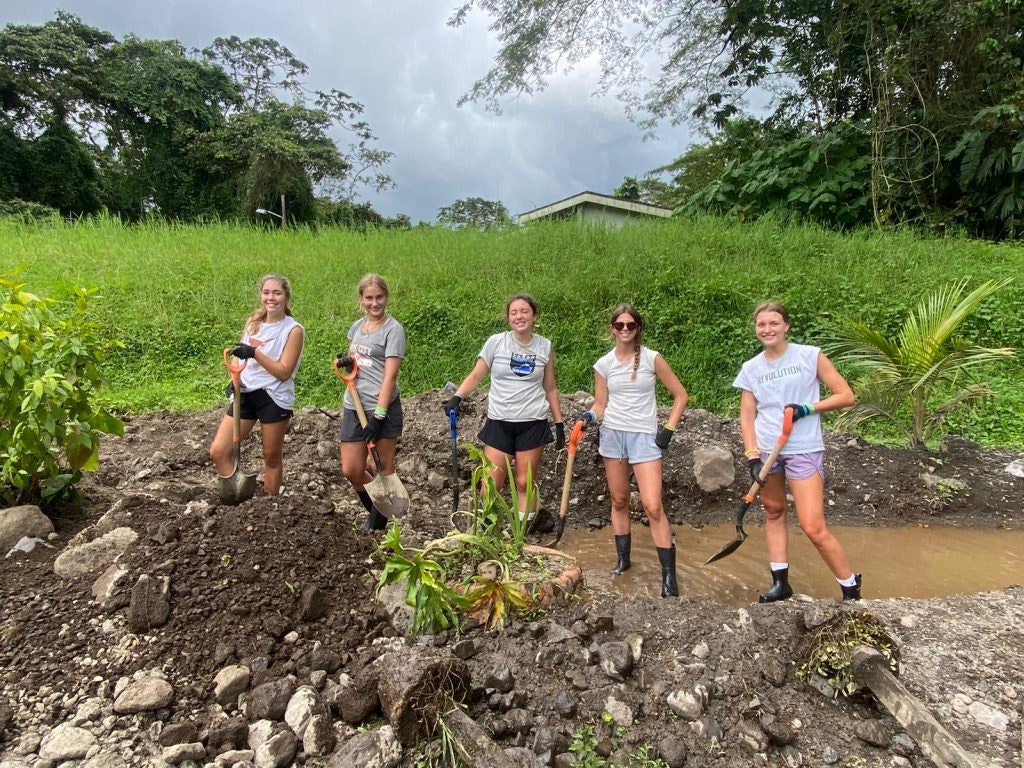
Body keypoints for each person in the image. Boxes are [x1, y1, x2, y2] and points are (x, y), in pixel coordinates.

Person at [733, 300, 861, 602]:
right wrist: (752, 454)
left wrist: (808, 407)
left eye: (774, 323)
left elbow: (846, 396)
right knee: (774, 511)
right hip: (767, 449)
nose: (768, 329)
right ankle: (781, 583)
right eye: (761, 324)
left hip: (803, 448)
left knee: (812, 525)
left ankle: (851, 588)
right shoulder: (751, 368)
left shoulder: (809, 356)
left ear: (786, 325)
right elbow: (747, 415)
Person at [574, 304, 688, 598]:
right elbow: (600, 405)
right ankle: (623, 560)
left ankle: (668, 577)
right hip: (612, 435)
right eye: (620, 325)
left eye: (631, 325)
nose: (625, 329)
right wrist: (588, 417)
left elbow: (680, 395)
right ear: (612, 328)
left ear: (638, 328)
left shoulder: (652, 359)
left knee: (652, 505)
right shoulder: (604, 364)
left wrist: (669, 429)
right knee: (620, 499)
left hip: (644, 437)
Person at [443, 294, 564, 519]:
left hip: (532, 422)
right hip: (500, 421)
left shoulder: (544, 346)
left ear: (534, 315)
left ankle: (524, 531)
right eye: (514, 313)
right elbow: (477, 374)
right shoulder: (496, 342)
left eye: (524, 311)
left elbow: (550, 387)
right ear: (508, 318)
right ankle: (486, 530)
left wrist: (559, 423)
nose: (519, 316)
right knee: (491, 482)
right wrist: (457, 397)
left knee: (524, 481)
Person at [210, 274, 304, 495]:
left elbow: (283, 372)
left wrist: (254, 353)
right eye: (267, 292)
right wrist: (234, 380)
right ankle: (240, 496)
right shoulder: (253, 323)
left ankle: (270, 506)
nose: (271, 298)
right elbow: (237, 357)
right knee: (219, 451)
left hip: (273, 396)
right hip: (245, 393)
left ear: (286, 297)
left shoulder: (293, 330)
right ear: (261, 295)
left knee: (271, 457)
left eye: (277, 293)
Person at [338, 274, 406, 531]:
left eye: (379, 297)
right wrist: (347, 363)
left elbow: (390, 376)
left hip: (382, 408)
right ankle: (380, 513)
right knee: (352, 469)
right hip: (353, 405)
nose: (374, 303)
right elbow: (357, 360)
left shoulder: (393, 330)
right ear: (361, 299)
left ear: (386, 297)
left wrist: (379, 416)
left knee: (380, 467)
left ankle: (376, 526)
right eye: (369, 298)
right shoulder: (357, 327)